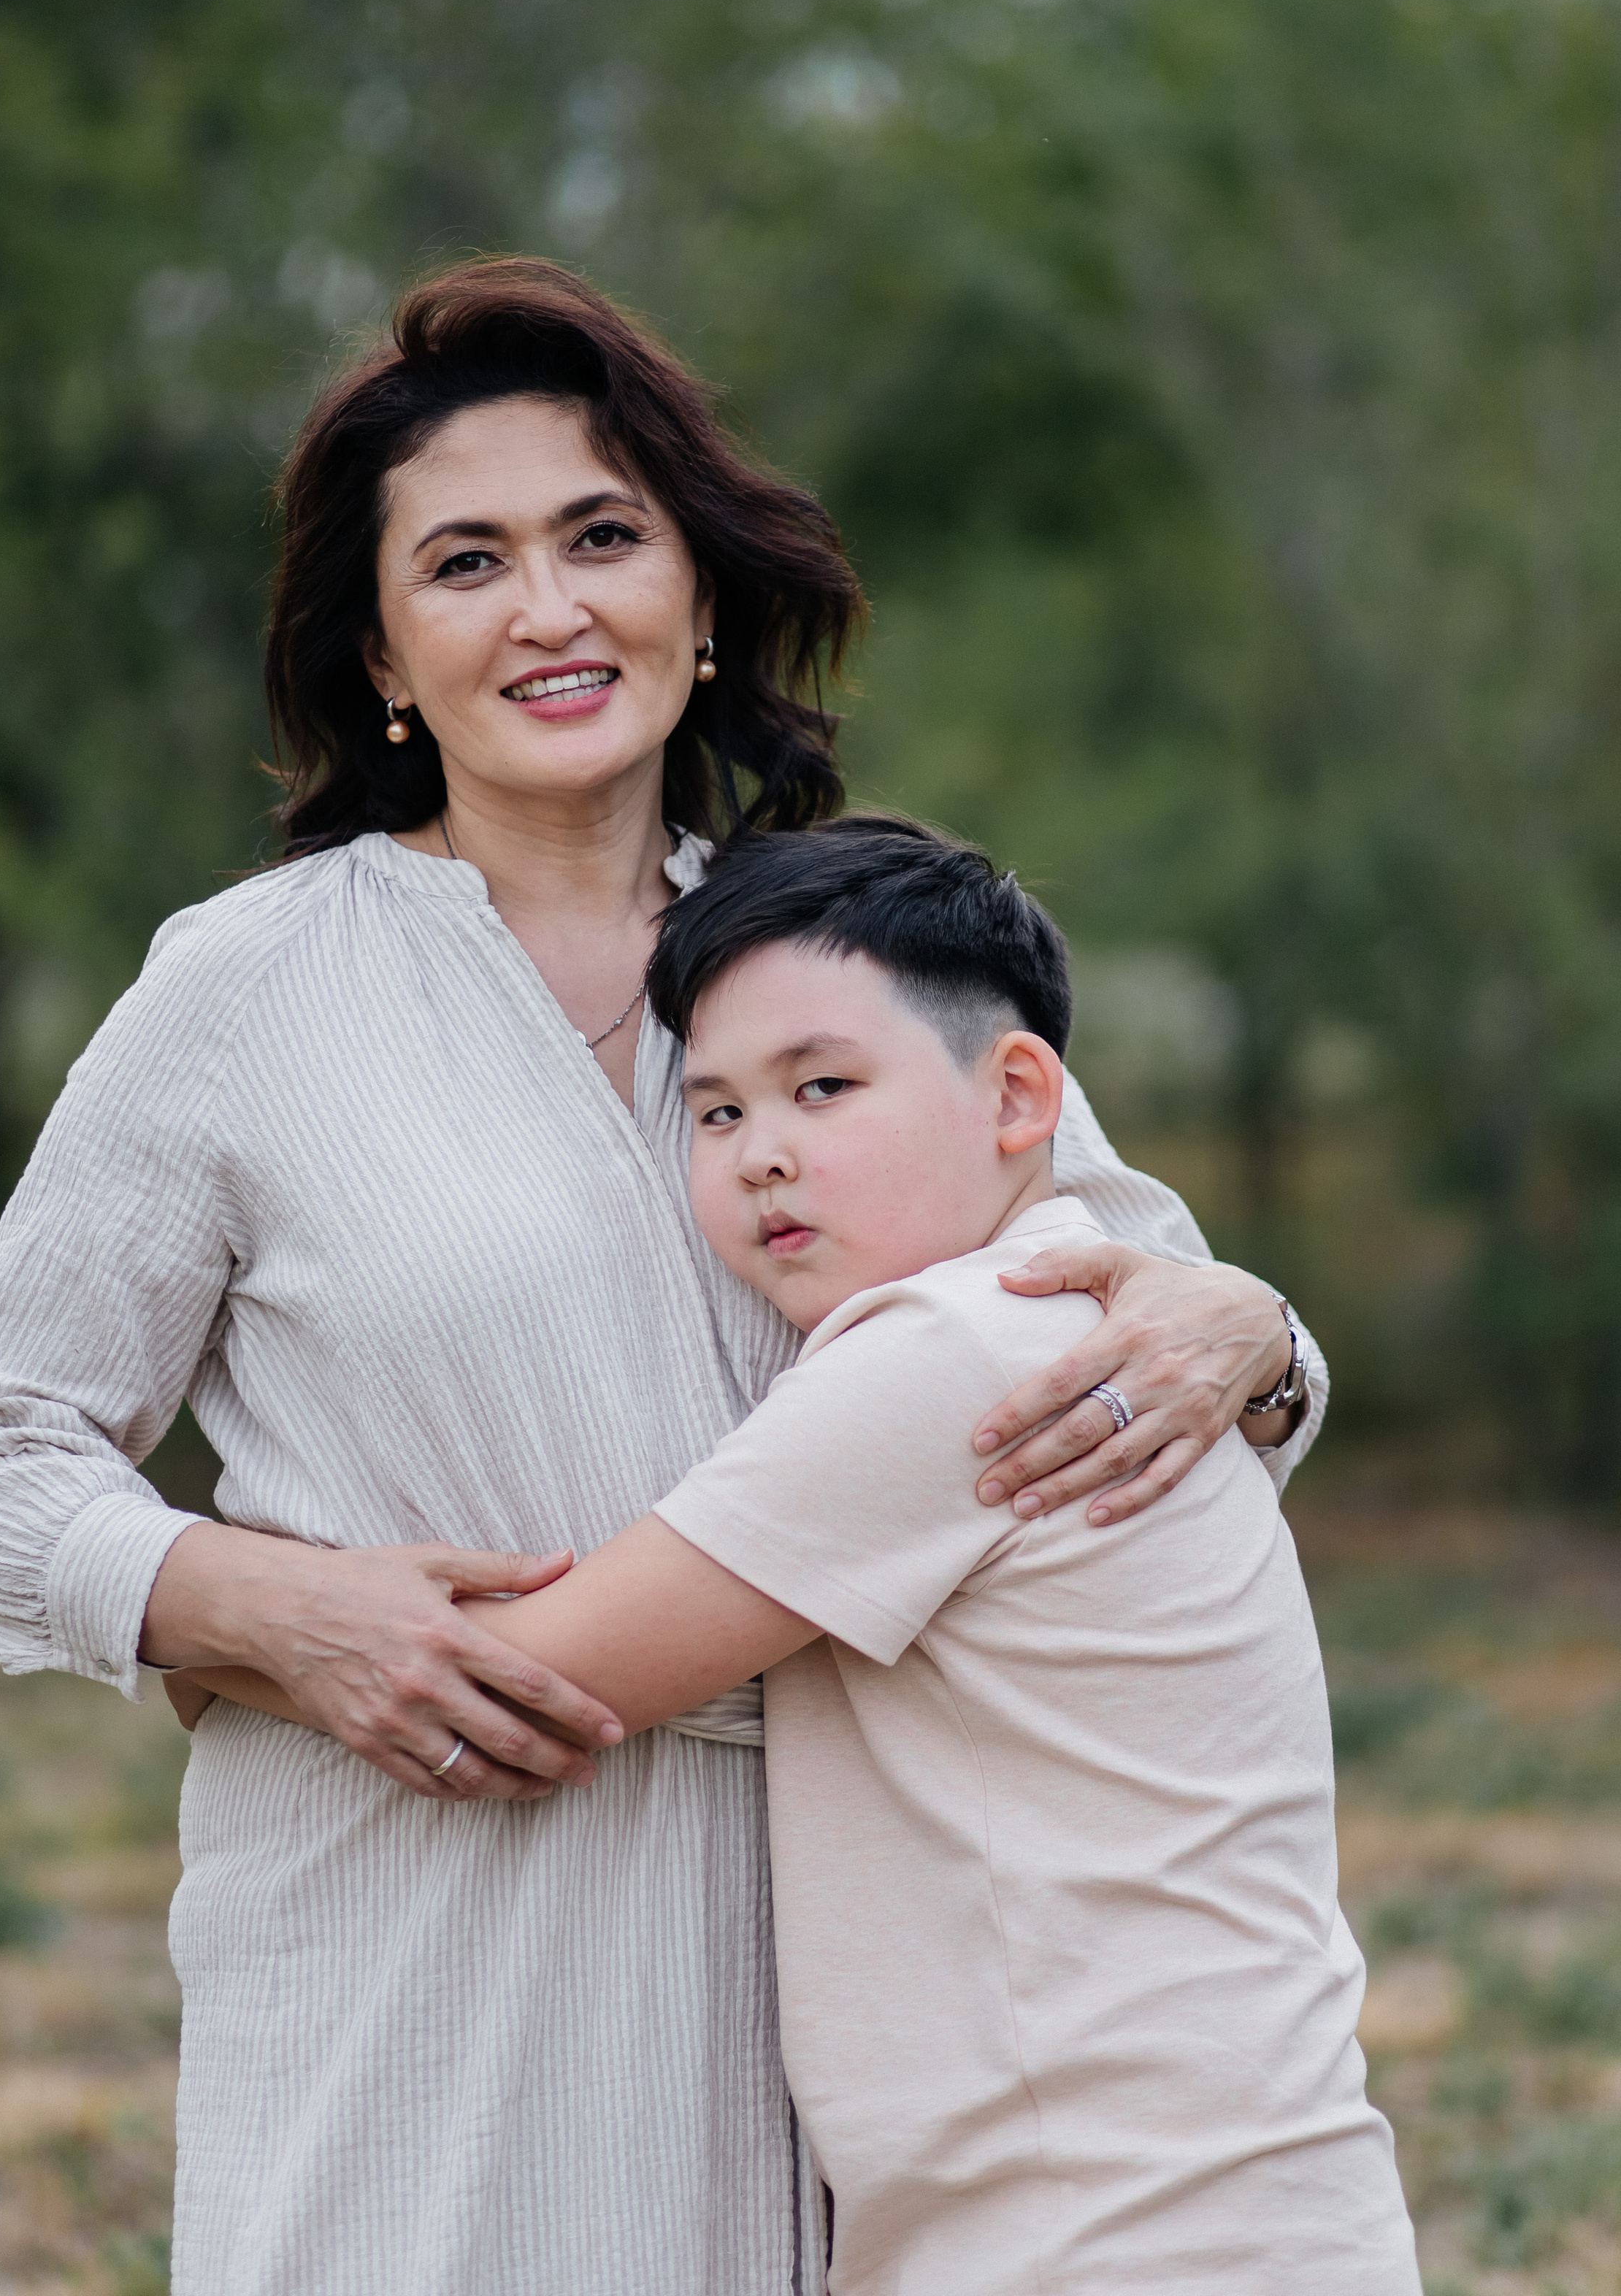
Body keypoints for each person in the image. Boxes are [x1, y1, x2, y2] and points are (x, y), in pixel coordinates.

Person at [0, 258, 1327, 2296]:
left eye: (603, 538)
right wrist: (265, 1610)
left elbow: (1139, 1301)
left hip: (841, 1920)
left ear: (702, 597)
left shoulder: (818, 963)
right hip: (417, 1906)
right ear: (382, 656)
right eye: (465, 563)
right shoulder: (247, 992)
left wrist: (1259, 1331)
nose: (549, 609)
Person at [181, 815, 1414, 2292]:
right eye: (710, 1114)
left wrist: (217, 1640)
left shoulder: (954, 1355)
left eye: (822, 1089)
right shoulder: (1063, 1322)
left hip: (1118, 2232)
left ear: (1017, 1095)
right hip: (1174, 2206)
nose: (763, 1154)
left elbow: (529, 1679)